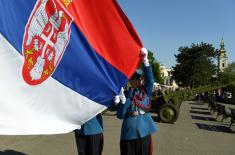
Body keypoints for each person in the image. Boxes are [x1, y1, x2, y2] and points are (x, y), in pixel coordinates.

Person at [113, 48, 157, 155]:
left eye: (137, 78)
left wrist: (145, 61)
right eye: (132, 78)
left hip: (144, 130)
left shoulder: (145, 90)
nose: (134, 80)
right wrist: (120, 102)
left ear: (141, 79)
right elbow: (120, 115)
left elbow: (150, 80)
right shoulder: (126, 94)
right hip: (129, 131)